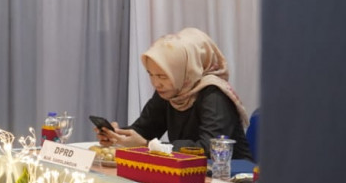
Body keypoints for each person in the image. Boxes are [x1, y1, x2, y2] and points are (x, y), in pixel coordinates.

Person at [98, 27, 254, 160]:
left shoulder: (214, 95)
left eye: (163, 76)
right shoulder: (172, 90)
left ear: (185, 71)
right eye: (151, 74)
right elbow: (145, 130)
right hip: (189, 176)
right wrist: (117, 136)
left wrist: (147, 145)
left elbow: (209, 149)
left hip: (230, 181)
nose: (155, 83)